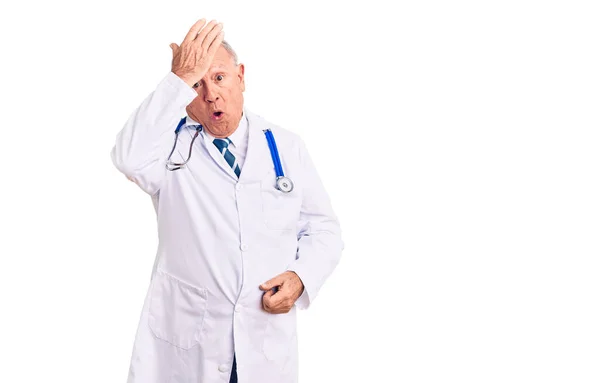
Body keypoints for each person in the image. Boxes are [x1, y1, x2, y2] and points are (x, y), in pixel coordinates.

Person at [110, 18, 343, 383]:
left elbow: (324, 229)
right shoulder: (168, 149)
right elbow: (127, 158)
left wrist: (301, 277)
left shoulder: (285, 147)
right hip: (188, 351)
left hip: (262, 345)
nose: (210, 95)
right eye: (195, 85)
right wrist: (176, 81)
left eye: (218, 78)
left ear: (241, 77)